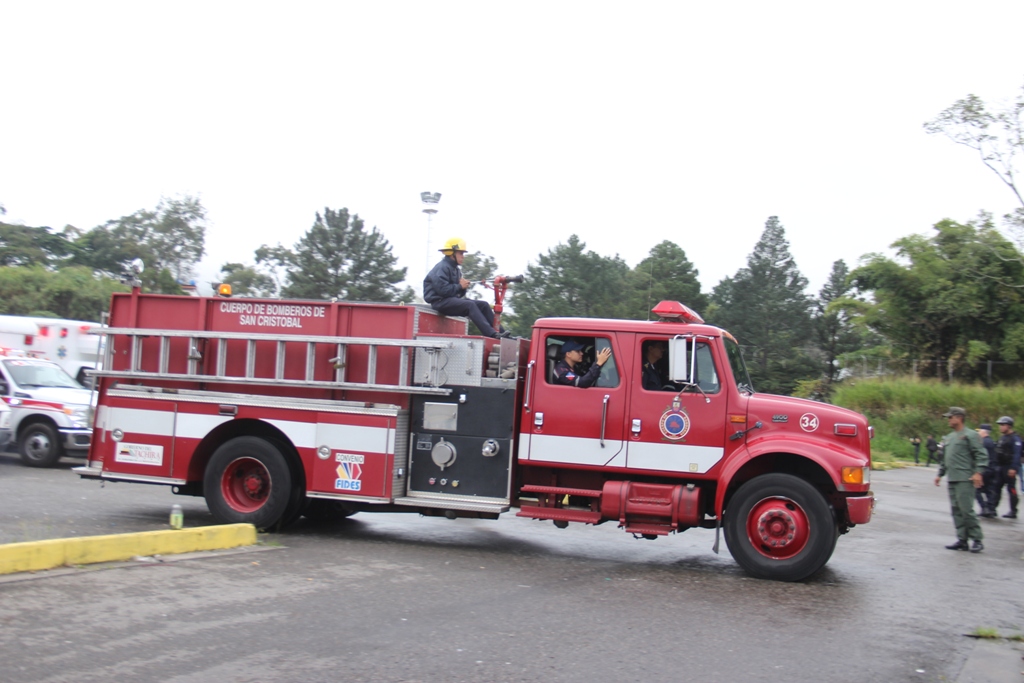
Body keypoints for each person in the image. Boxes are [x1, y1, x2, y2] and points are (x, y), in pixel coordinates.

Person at [423, 237, 508, 339]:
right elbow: (443, 291)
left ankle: (502, 334)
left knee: (484, 305)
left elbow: (457, 295)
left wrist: (463, 288)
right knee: (469, 305)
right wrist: (459, 286)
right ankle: (492, 334)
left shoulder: (456, 270)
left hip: (449, 300)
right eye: (461, 253)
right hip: (440, 303)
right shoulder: (442, 267)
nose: (463, 257)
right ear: (452, 253)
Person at [934, 407, 987, 552]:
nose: (949, 420)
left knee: (967, 510)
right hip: (952, 478)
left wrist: (978, 472)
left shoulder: (970, 435)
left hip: (965, 478)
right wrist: (940, 474)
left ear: (959, 418)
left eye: (950, 417)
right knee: (956, 510)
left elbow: (981, 455)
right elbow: (946, 458)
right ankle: (962, 539)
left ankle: (977, 539)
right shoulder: (949, 437)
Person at [993, 416, 1021, 519]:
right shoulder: (1002, 438)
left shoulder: (1015, 439)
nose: (1000, 427)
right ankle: (992, 508)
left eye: (1002, 425)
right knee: (996, 488)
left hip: (1009, 467)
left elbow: (1017, 454)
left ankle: (1013, 511)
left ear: (1008, 426)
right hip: (1001, 466)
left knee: (1011, 489)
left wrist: (1013, 468)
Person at [974, 424, 998, 518]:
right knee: (989, 490)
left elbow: (980, 456)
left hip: (985, 469)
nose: (978, 433)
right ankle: (991, 509)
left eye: (979, 431)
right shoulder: (990, 441)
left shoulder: (983, 442)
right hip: (992, 469)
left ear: (983, 432)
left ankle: (984, 508)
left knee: (976, 489)